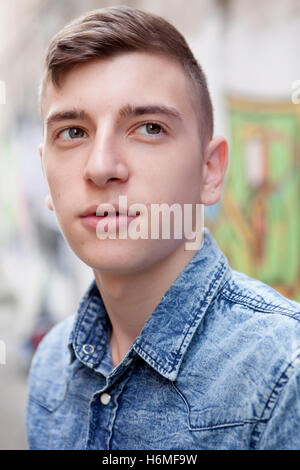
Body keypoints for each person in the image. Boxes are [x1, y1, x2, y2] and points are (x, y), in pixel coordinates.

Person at [26, 5, 300, 450]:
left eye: (149, 127)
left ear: (210, 171)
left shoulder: (284, 376)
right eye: (73, 133)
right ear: (46, 176)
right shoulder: (51, 368)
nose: (101, 167)